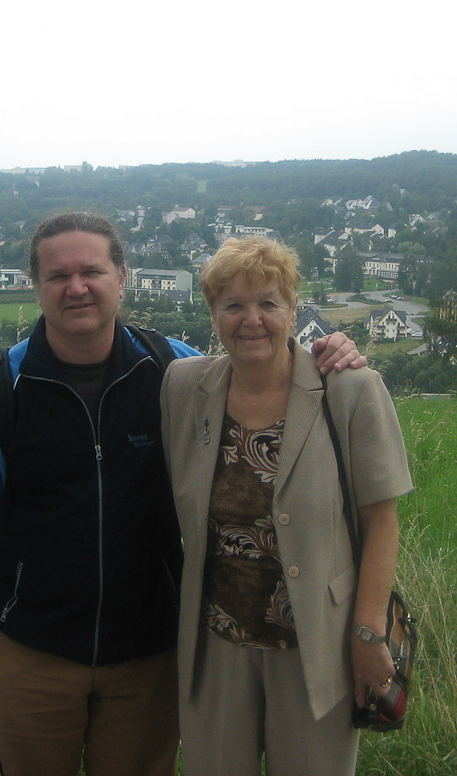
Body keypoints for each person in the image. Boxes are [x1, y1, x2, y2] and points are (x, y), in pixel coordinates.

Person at [0, 212, 364, 776]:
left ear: (121, 277)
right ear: (35, 286)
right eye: (58, 276)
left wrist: (332, 355)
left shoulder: (174, 371)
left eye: (91, 271)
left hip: (149, 656)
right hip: (33, 654)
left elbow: (265, 374)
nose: (76, 287)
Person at [160, 236, 413, 776]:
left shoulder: (350, 389)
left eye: (268, 303)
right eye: (233, 304)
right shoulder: (183, 387)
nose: (251, 320)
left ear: (294, 309)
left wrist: (369, 633)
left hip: (317, 646)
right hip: (216, 644)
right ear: (213, 313)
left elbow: (381, 521)